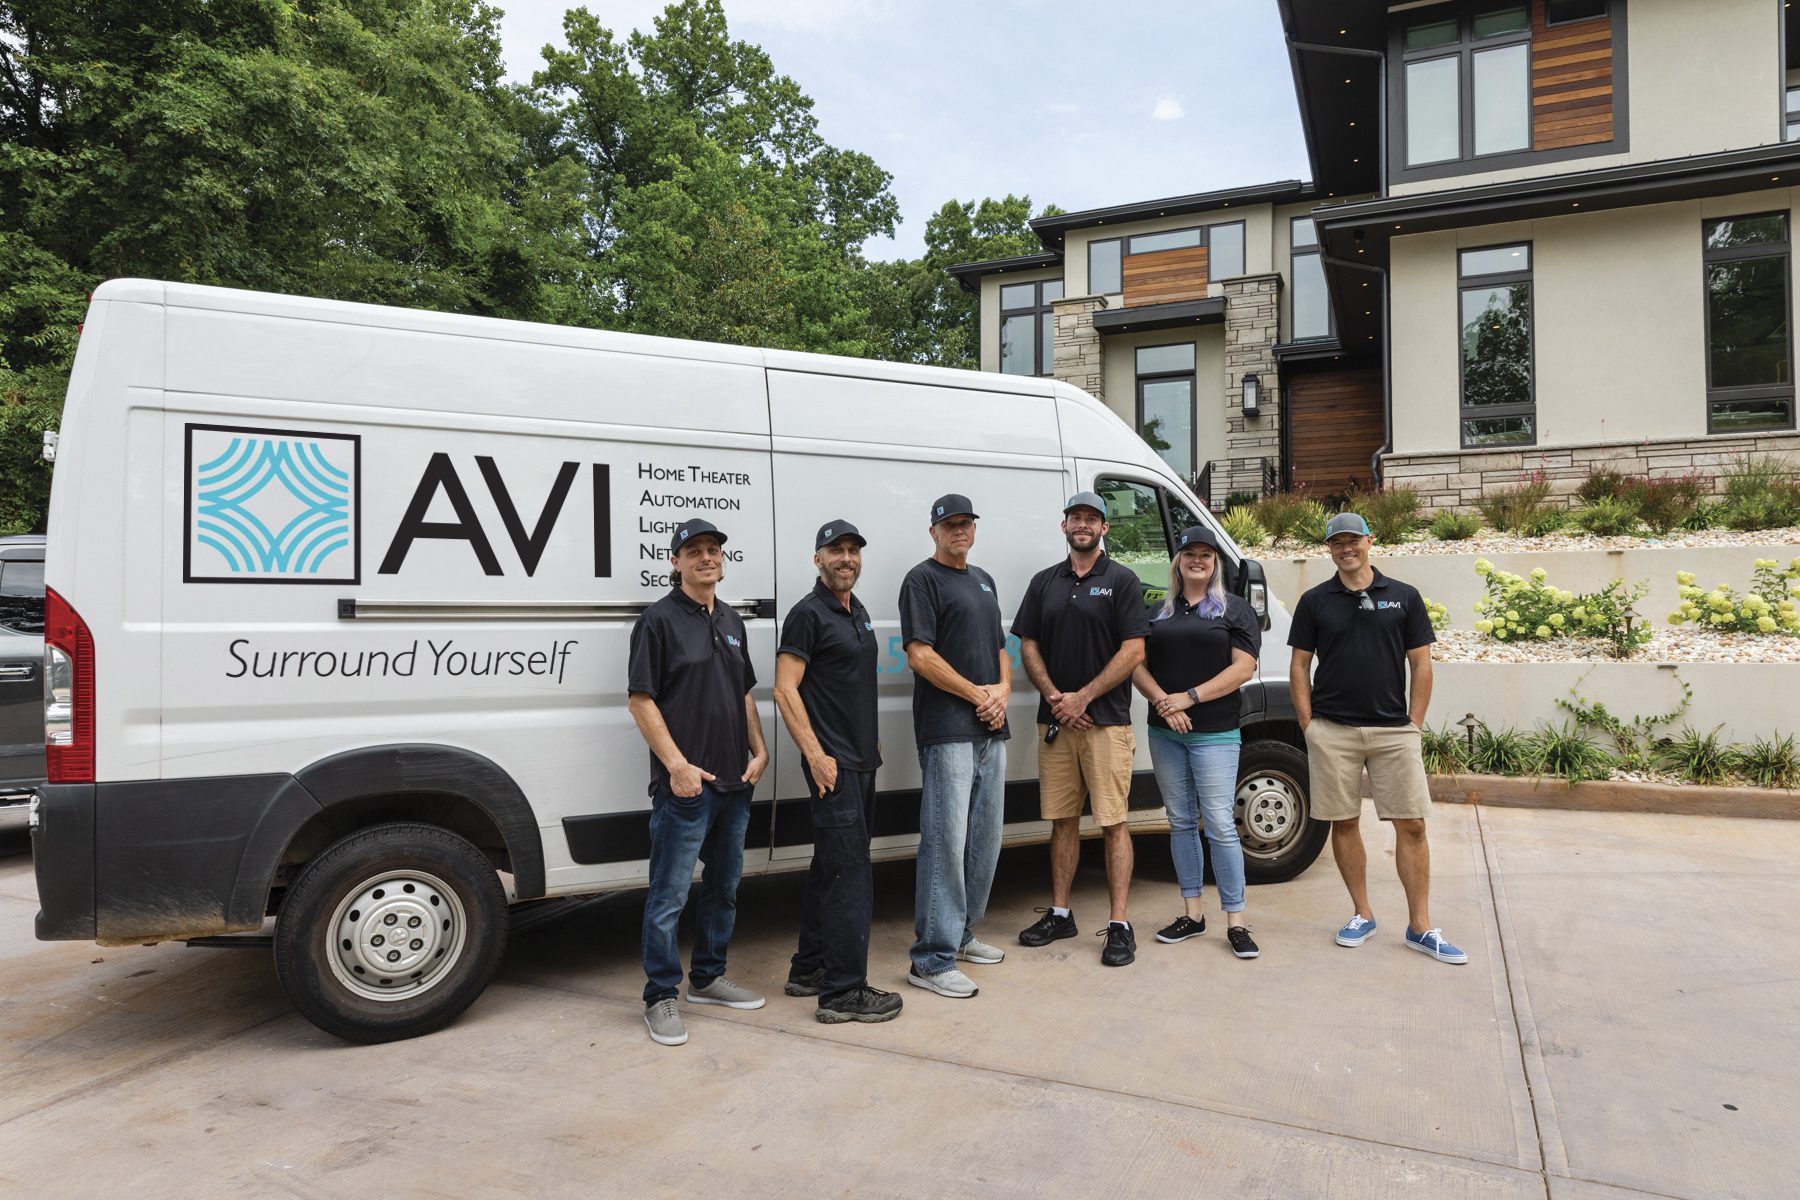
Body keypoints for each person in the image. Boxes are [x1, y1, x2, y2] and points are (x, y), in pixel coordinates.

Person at [1288, 512, 1467, 965]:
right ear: (1329, 549)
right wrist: (1309, 725)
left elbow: (1422, 664)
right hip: (1333, 731)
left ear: (1370, 540)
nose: (1346, 548)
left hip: (1394, 732)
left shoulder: (1403, 597)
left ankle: (1420, 927)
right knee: (1343, 822)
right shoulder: (1314, 601)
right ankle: (1362, 913)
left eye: (1353, 540)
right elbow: (1299, 665)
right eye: (1336, 543)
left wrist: (1414, 724)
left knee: (1413, 824)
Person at [627, 518, 772, 1046]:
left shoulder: (732, 619)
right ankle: (660, 995)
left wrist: (759, 749)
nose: (706, 558)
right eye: (694, 551)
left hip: (736, 781)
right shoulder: (658, 621)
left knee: (724, 887)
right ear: (675, 561)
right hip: (687, 786)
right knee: (668, 895)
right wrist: (676, 766)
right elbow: (641, 700)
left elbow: (743, 693)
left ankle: (708, 979)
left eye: (713, 550)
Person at [773, 520, 903, 1024]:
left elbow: (849, 683)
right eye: (836, 551)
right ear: (817, 559)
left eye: (853, 550)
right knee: (851, 876)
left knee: (831, 865)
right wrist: (815, 754)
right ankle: (843, 992)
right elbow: (786, 690)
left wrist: (867, 736)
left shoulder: (857, 609)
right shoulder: (807, 614)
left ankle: (809, 969)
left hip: (859, 758)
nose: (846, 558)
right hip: (833, 765)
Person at [1012, 491, 1148, 966]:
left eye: (1092, 518)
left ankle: (1119, 924)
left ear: (1105, 528)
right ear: (1064, 525)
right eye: (1076, 517)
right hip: (1056, 723)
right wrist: (1055, 698)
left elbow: (1134, 652)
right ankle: (1060, 912)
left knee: (1114, 822)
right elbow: (1029, 645)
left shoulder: (1123, 581)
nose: (1083, 525)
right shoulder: (1045, 582)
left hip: (1105, 724)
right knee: (1062, 820)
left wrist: (1083, 697)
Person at [1132, 525, 1263, 960]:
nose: (1198, 560)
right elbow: (1136, 665)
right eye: (1190, 553)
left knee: (1221, 826)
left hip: (1215, 733)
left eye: (1206, 554)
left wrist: (1189, 698)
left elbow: (1243, 668)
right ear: (1179, 561)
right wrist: (1165, 705)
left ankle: (1237, 922)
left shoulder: (1235, 610)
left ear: (1215, 563)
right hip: (1165, 732)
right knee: (1182, 821)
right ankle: (1192, 914)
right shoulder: (1158, 611)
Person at [898, 494, 1011, 998]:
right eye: (950, 524)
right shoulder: (921, 580)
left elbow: (1001, 648)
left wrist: (1002, 692)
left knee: (983, 841)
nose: (959, 531)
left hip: (990, 729)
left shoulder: (983, 579)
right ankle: (931, 958)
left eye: (966, 523)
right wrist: (976, 695)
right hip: (947, 729)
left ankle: (961, 935)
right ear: (934, 532)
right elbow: (920, 656)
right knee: (945, 841)